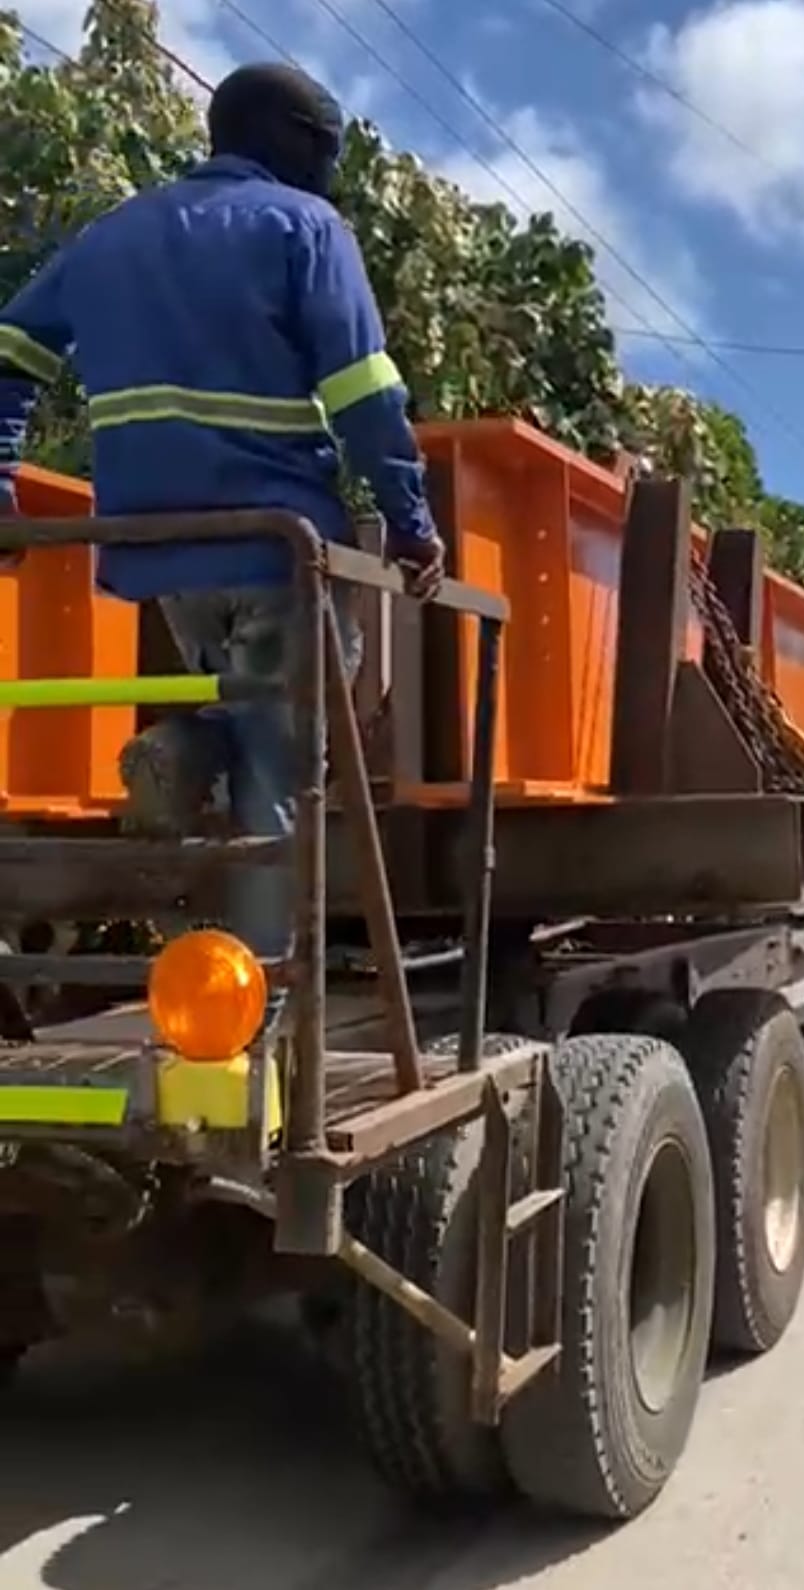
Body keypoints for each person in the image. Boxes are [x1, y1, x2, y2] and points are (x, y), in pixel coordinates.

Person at [0, 62, 445, 1013]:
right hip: (278, 550)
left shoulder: (109, 238)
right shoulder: (305, 229)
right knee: (284, 781)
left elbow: (11, 354)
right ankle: (259, 1021)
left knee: (246, 727)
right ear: (302, 148)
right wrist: (411, 525)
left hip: (159, 553)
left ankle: (186, 753)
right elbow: (366, 399)